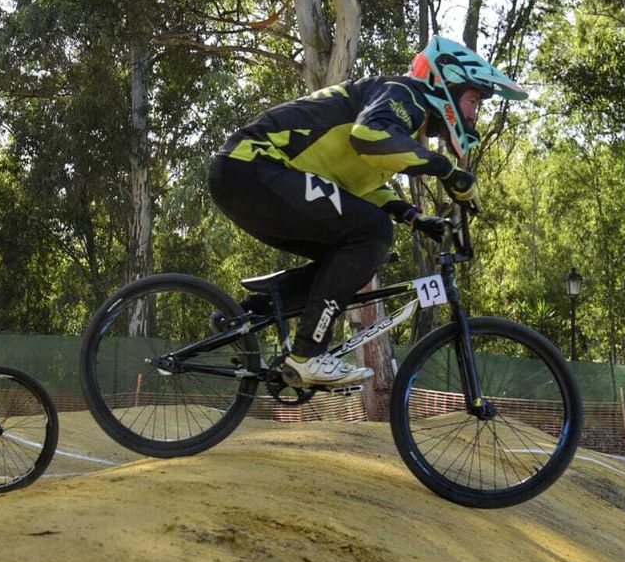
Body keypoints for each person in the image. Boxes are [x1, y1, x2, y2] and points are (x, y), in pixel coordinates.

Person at [206, 36, 527, 387]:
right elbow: (368, 136)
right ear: (448, 82)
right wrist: (447, 171)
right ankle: (308, 355)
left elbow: (365, 185)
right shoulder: (405, 95)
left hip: (245, 175)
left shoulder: (403, 119)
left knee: (351, 258)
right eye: (473, 100)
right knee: (372, 233)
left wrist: (413, 217)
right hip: (257, 165)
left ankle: (243, 316)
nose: (473, 114)